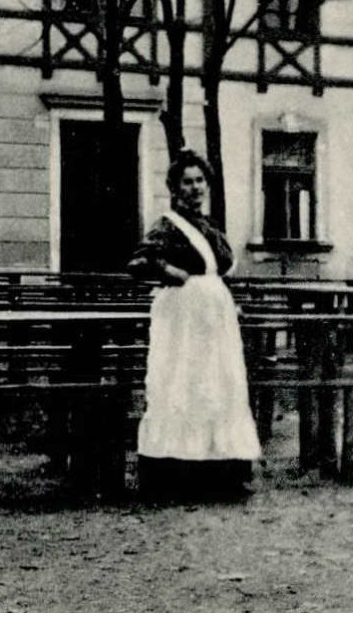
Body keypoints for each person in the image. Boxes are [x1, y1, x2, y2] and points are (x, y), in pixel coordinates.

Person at [126, 150, 261, 500]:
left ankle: (223, 470)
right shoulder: (168, 225)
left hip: (214, 319)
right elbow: (140, 262)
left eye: (200, 181)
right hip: (183, 319)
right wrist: (172, 272)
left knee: (220, 384)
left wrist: (222, 297)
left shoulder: (210, 225)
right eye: (187, 182)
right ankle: (176, 473)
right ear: (174, 187)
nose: (195, 188)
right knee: (184, 384)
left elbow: (220, 266)